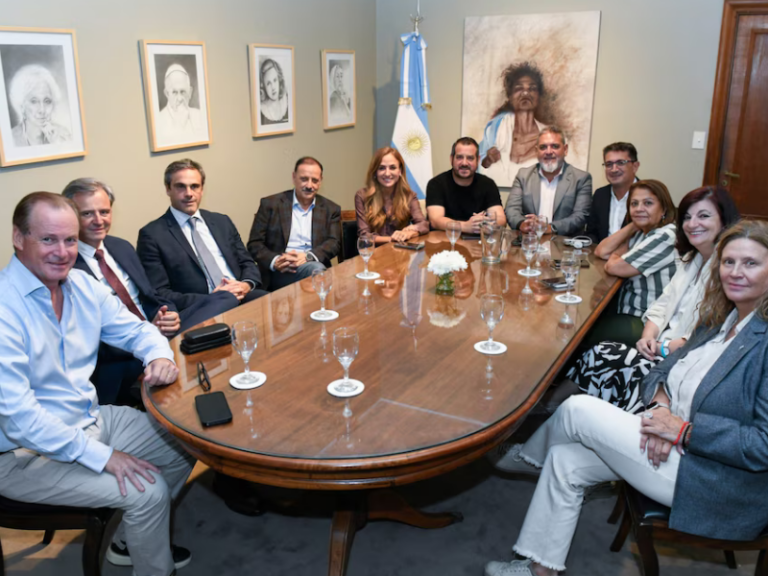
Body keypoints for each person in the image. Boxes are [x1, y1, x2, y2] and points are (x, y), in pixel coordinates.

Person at [484, 219, 768, 576]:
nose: (736, 272)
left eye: (751, 263)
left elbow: (762, 445)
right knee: (564, 460)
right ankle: (541, 569)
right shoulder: (718, 321)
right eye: (729, 262)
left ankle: (527, 458)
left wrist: (683, 432)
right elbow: (661, 371)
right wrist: (660, 411)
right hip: (668, 440)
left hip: (714, 478)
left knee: (576, 408)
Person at [0, 192, 195, 576]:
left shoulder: (81, 286)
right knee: (148, 491)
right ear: (18, 238)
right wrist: (103, 457)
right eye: (48, 239)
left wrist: (159, 356)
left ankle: (127, 542)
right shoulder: (5, 308)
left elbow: (139, 330)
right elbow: (19, 419)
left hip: (89, 418)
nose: (62, 252)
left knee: (184, 441)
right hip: (22, 454)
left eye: (70, 240)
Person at [566, 186, 741, 414]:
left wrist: (661, 348)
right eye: (687, 217)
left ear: (724, 221)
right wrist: (647, 336)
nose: (692, 223)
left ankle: (587, 413)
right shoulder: (692, 258)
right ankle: (562, 407)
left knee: (601, 351)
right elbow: (662, 304)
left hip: (682, 363)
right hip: (660, 344)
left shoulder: (728, 272)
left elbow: (705, 337)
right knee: (602, 354)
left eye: (704, 216)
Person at [64, 178, 235, 404]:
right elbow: (87, 339)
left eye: (104, 212)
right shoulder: (67, 267)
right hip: (123, 351)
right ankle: (175, 353)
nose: (98, 220)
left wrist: (166, 314)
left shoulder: (120, 247)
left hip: (157, 330)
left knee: (226, 297)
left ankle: (177, 348)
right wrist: (145, 338)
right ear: (70, 216)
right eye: (87, 214)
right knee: (201, 351)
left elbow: (152, 295)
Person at [137, 158, 267, 311]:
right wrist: (214, 298)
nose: (189, 194)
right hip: (202, 306)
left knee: (273, 303)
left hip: (242, 295)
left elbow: (247, 262)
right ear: (168, 189)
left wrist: (245, 285)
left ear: (202, 189)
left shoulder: (222, 222)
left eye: (194, 186)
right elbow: (160, 292)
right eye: (180, 187)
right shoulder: (152, 235)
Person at [589, 179, 678, 345]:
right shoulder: (643, 232)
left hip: (646, 320)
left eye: (648, 203)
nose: (639, 209)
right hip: (626, 310)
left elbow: (614, 266)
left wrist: (618, 258)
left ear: (664, 209)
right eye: (634, 204)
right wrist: (633, 225)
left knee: (584, 333)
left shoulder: (666, 235)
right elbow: (602, 251)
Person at [247, 157, 341, 290]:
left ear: (320, 181)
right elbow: (254, 244)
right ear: (294, 177)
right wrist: (276, 261)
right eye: (304, 179)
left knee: (316, 269)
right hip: (279, 272)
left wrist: (308, 256)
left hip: (313, 265)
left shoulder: (330, 209)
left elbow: (334, 243)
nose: (309, 185)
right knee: (318, 273)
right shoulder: (270, 204)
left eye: (314, 180)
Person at [504, 126, 592, 237]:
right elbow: (511, 209)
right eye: (543, 147)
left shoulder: (581, 178)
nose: (549, 152)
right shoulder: (523, 175)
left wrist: (549, 227)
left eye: (555, 146)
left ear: (565, 149)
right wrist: (522, 223)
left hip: (563, 244)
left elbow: (580, 216)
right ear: (536, 151)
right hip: (529, 241)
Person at [478, 62, 547, 185]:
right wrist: (487, 160)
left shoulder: (549, 137)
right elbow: (478, 166)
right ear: (509, 96)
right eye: (519, 88)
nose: (525, 93)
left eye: (532, 88)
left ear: (539, 96)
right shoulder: (494, 129)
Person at [426, 137, 506, 233]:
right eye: (459, 157)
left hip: (477, 240)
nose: (464, 163)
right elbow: (435, 221)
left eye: (470, 158)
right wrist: (465, 226)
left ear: (478, 160)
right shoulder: (436, 184)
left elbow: (501, 218)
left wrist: (486, 223)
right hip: (444, 239)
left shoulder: (488, 184)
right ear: (451, 159)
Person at [355, 147, 429, 244]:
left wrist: (410, 233)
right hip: (374, 252)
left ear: (400, 170)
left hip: (401, 251)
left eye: (392, 167)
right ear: (375, 172)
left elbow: (424, 225)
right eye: (381, 168)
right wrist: (393, 239)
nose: (387, 173)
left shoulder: (409, 196)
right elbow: (365, 236)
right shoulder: (362, 196)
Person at [585, 142, 640, 243]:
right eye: (609, 164)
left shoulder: (649, 196)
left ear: (635, 166)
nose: (614, 169)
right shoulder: (600, 195)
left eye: (620, 163)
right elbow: (592, 234)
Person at [9, 64, 72, 146]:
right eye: (34, 101)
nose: (42, 110)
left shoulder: (64, 135)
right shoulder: (11, 139)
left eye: (47, 101)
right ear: (22, 105)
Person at [156, 64, 206, 144]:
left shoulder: (200, 116)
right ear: (167, 94)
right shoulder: (159, 121)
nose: (179, 99)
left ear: (190, 92)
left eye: (183, 92)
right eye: (174, 92)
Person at [260, 58, 289, 124]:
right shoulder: (262, 111)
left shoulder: (287, 101)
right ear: (264, 87)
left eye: (275, 80)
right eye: (268, 83)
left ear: (279, 79)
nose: (273, 87)